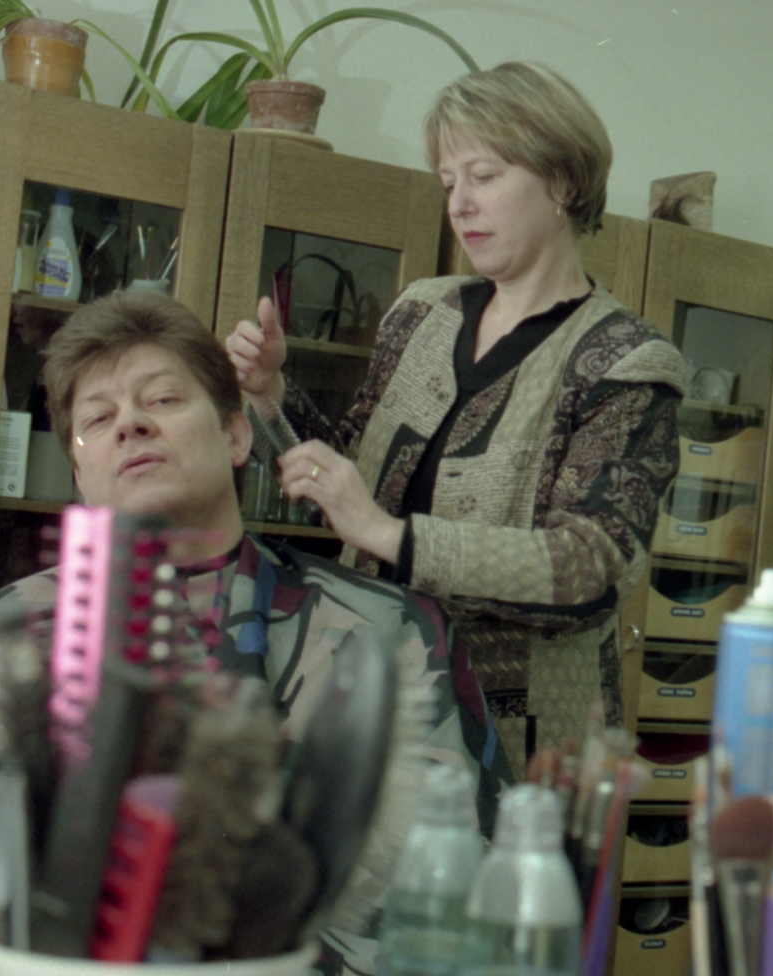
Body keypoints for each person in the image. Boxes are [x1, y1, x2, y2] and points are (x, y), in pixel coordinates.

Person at [0, 290, 515, 975]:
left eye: (161, 399)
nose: (130, 424)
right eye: (98, 418)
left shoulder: (391, 631)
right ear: (79, 475)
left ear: (237, 435)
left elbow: (460, 910)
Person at [226, 62, 685, 765]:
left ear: (564, 184)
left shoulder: (627, 360)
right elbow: (351, 484)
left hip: (525, 747)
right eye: (448, 183)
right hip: (370, 704)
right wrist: (270, 393)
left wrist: (389, 534)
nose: (460, 205)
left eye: (484, 176)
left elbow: (588, 568)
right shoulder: (421, 312)